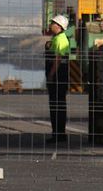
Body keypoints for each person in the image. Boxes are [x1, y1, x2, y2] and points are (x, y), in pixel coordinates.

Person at [44, 13, 72, 143]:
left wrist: (51, 74)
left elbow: (58, 59)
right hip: (57, 75)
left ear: (59, 26)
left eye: (53, 23)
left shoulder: (61, 39)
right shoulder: (56, 39)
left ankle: (59, 134)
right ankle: (57, 133)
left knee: (57, 104)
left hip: (58, 76)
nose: (51, 25)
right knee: (55, 104)